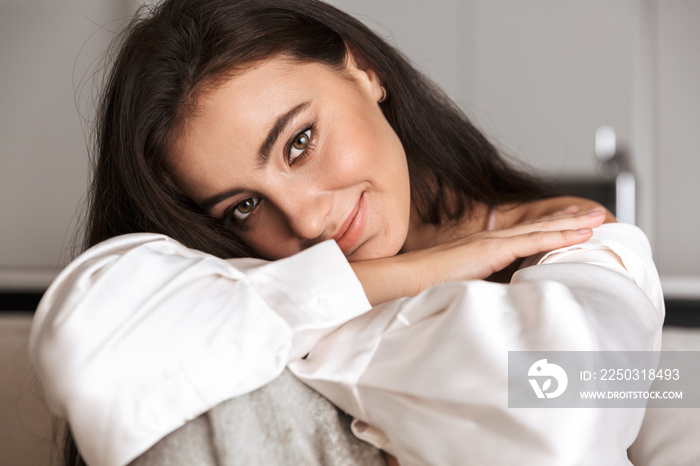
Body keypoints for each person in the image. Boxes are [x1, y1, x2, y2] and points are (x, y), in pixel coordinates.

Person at [29, 0, 664, 465]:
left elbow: (571, 406)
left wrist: (309, 329)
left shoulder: (570, 236)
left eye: (299, 143)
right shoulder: (230, 282)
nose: (305, 221)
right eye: (244, 207)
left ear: (363, 71)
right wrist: (397, 279)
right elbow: (86, 360)